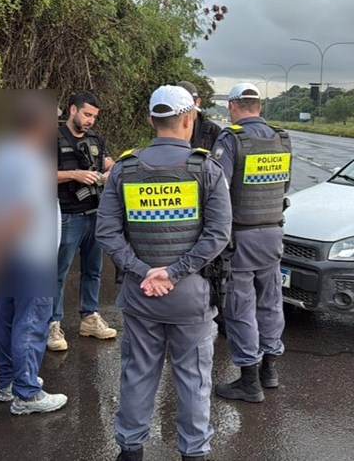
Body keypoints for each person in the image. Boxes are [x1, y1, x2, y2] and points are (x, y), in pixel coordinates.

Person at [96, 85, 232, 461]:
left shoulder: (124, 169)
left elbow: (106, 231)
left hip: (141, 294)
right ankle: (194, 453)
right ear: (189, 119)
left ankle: (130, 450)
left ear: (150, 120)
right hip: (191, 295)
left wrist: (144, 271)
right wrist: (174, 272)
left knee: (138, 373)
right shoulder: (206, 168)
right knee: (193, 377)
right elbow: (218, 234)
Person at [0, 92, 67, 415]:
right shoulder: (35, 162)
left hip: (8, 253)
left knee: (6, 318)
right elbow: (23, 213)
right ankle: (27, 393)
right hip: (32, 253)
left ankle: (7, 384)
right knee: (31, 322)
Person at [212, 83, 292, 403]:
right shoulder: (281, 139)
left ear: (233, 106)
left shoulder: (232, 139)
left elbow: (218, 192)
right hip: (273, 233)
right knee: (271, 301)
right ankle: (269, 371)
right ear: (258, 106)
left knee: (240, 306)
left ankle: (248, 381)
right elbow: (285, 184)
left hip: (240, 236)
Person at [52, 92, 116, 351]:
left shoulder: (95, 140)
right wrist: (73, 174)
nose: (90, 121)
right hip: (66, 214)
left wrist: (111, 172)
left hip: (95, 213)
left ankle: (89, 317)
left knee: (93, 270)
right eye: (87, 114)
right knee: (58, 272)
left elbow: (111, 163)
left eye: (94, 117)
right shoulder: (51, 138)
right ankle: (52, 323)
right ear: (73, 110)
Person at [178, 80, 222, 151]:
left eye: (189, 102)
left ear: (198, 102)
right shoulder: (168, 126)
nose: (185, 108)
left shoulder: (213, 131)